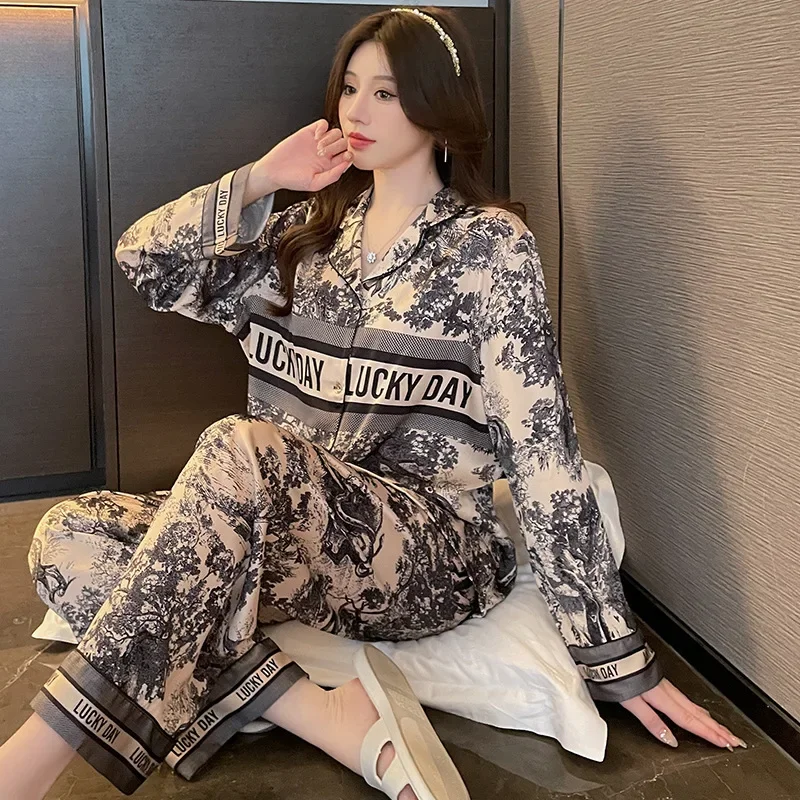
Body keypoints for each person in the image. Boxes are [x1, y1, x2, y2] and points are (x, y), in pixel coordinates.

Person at [0, 6, 746, 799]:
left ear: (437, 107)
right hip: (294, 533)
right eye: (350, 88)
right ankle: (323, 715)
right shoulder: (305, 236)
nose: (357, 110)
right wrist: (260, 179)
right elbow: (143, 261)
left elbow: (543, 453)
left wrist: (615, 657)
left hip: (427, 553)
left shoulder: (490, 249)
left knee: (235, 447)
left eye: (386, 93)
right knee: (67, 538)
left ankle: (25, 768)